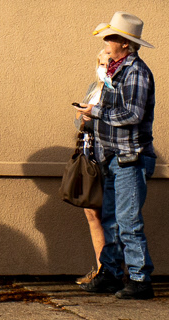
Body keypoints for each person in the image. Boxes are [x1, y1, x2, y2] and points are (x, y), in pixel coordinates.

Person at [79, 12, 157, 300]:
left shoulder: (136, 72)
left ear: (126, 44)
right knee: (112, 218)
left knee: (128, 220)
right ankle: (111, 274)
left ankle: (139, 278)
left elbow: (133, 114)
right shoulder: (114, 71)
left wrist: (94, 111)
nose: (106, 42)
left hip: (129, 158)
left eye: (111, 38)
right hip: (112, 157)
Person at [73, 48, 111, 284]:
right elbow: (78, 122)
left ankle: (113, 270)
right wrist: (82, 117)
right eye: (100, 62)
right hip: (91, 154)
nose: (103, 67)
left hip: (111, 154)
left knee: (112, 214)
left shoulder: (120, 87)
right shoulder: (93, 87)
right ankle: (100, 268)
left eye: (107, 63)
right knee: (92, 211)